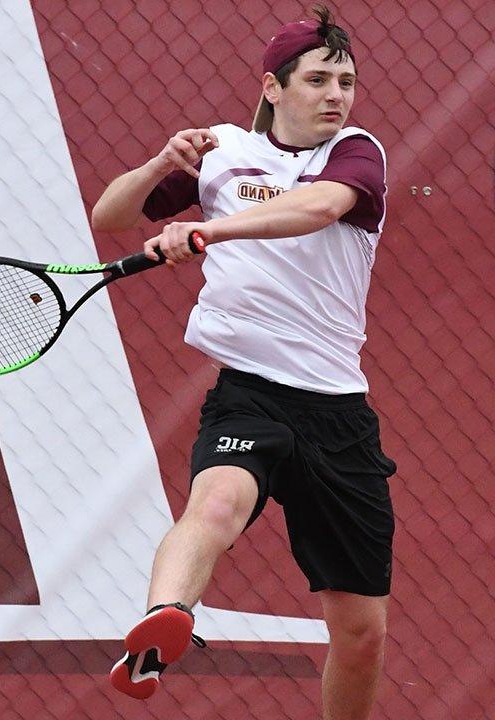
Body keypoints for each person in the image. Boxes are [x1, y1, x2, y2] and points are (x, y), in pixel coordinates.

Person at [92, 6, 396, 719]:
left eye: (346, 80)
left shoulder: (356, 152)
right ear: (272, 86)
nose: (336, 95)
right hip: (248, 395)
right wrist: (163, 166)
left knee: (361, 633)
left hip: (336, 413)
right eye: (319, 79)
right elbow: (111, 216)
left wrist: (208, 231)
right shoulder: (222, 151)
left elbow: (316, 209)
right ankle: (161, 623)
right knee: (216, 503)